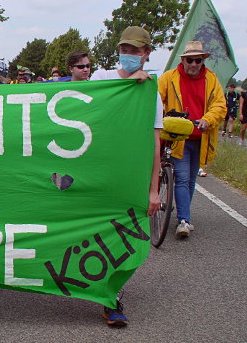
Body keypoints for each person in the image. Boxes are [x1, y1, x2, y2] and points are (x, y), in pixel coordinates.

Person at [90, 26, 163, 327]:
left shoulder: (150, 94)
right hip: (95, 173)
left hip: (126, 178)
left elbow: (154, 144)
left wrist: (154, 190)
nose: (129, 55)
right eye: (125, 49)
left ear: (146, 53)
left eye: (135, 50)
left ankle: (112, 298)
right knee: (88, 233)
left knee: (120, 239)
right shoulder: (101, 79)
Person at [158, 40, 226, 237]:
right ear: (183, 60)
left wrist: (208, 119)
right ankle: (184, 220)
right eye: (190, 60)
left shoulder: (211, 80)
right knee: (181, 177)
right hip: (178, 138)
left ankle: (184, 215)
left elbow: (219, 106)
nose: (194, 64)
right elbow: (155, 97)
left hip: (200, 138)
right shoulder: (169, 78)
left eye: (198, 60)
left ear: (203, 61)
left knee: (190, 179)